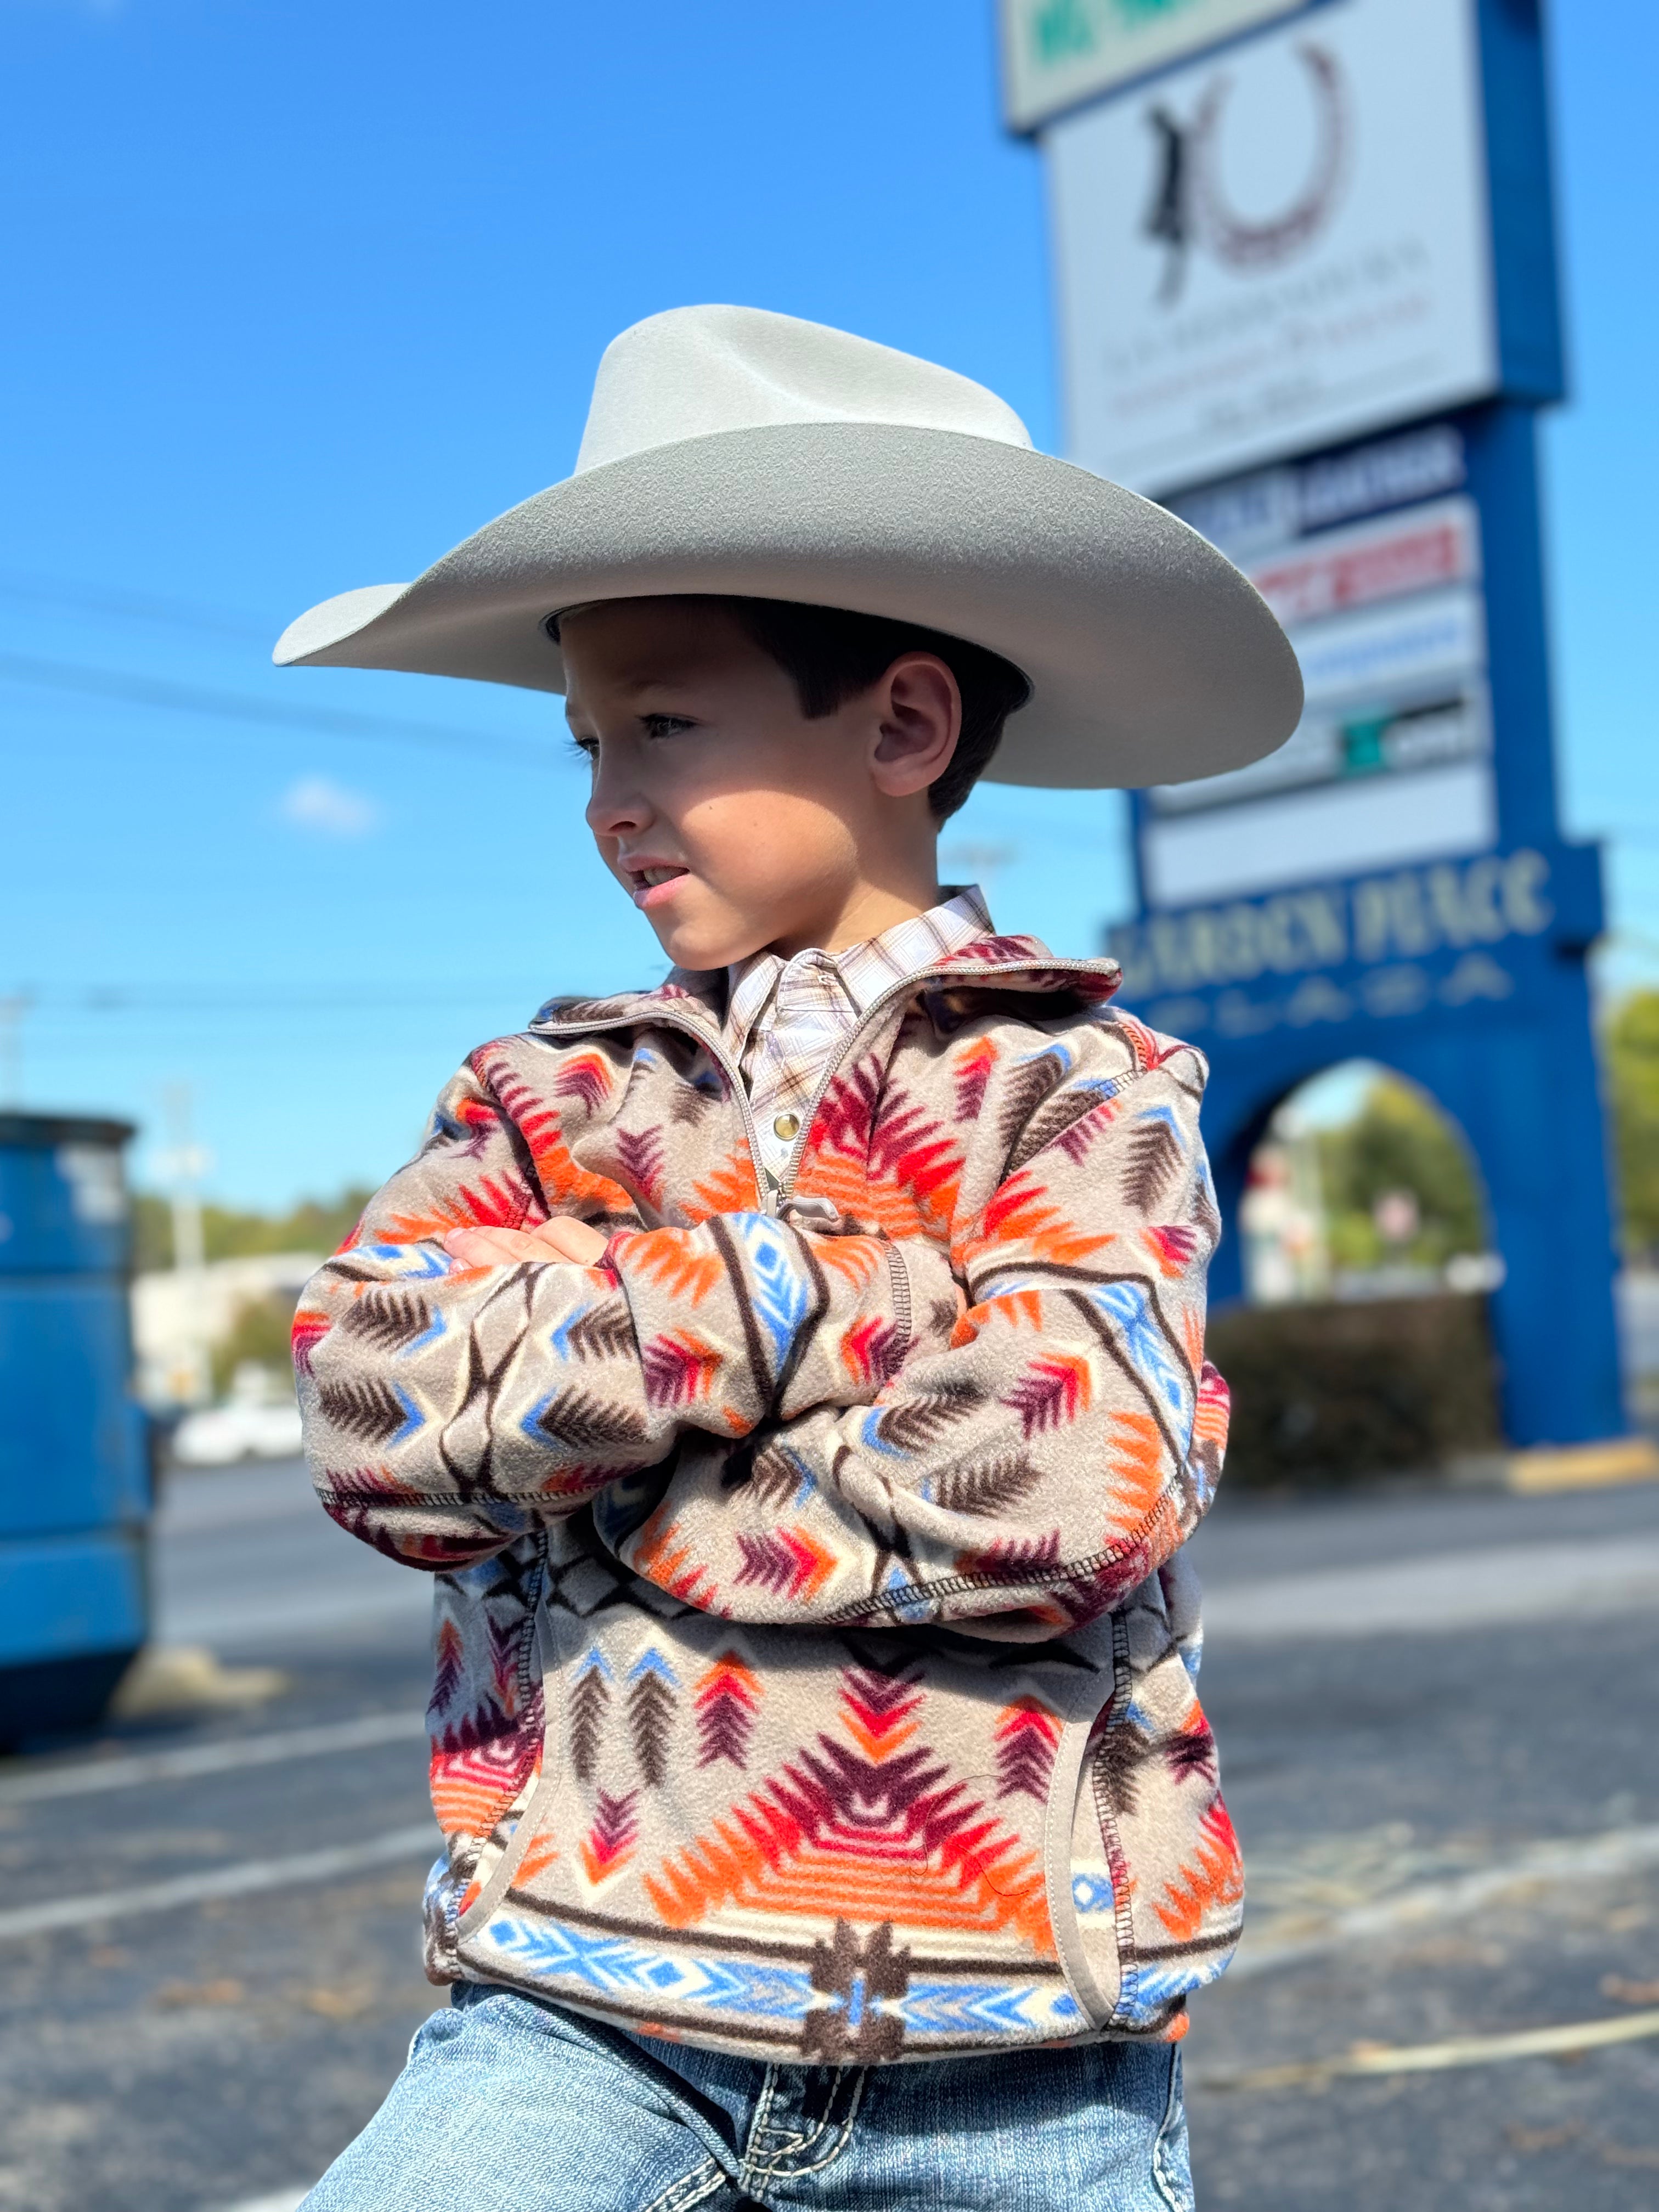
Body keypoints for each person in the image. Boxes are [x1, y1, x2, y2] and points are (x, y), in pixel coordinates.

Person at [278, 306, 1301, 2211]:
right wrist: (801, 1296)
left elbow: (1075, 1485)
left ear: (905, 726)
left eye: (663, 724)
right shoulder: (541, 1091)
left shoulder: (1083, 1086)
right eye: (588, 742)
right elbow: (365, 1406)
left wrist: (603, 1499)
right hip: (574, 2005)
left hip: (1023, 2059)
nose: (607, 796)